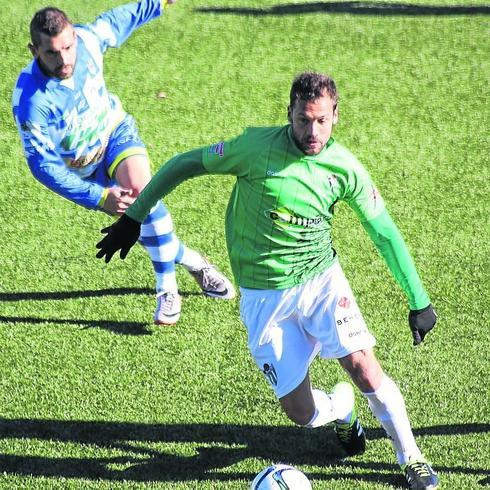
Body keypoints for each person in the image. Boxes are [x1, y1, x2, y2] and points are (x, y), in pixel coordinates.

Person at [95, 72, 439, 489]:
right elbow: (184, 163)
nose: (312, 131)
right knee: (302, 413)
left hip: (321, 282)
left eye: (322, 121)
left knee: (365, 368)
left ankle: (412, 458)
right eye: (302, 120)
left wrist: (418, 300)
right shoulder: (254, 148)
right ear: (289, 113)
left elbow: (383, 233)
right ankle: (342, 409)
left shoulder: (344, 169)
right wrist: (134, 218)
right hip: (264, 299)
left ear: (336, 116)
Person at [12, 0, 235, 326]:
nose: (64, 60)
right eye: (52, 53)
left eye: (68, 47)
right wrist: (99, 198)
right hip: (85, 168)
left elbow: (119, 18)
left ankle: (166, 290)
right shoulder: (31, 101)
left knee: (142, 195)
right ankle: (193, 262)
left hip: (115, 135)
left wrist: (157, 2)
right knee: (141, 223)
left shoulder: (87, 40)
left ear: (74, 35)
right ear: (34, 50)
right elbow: (42, 166)